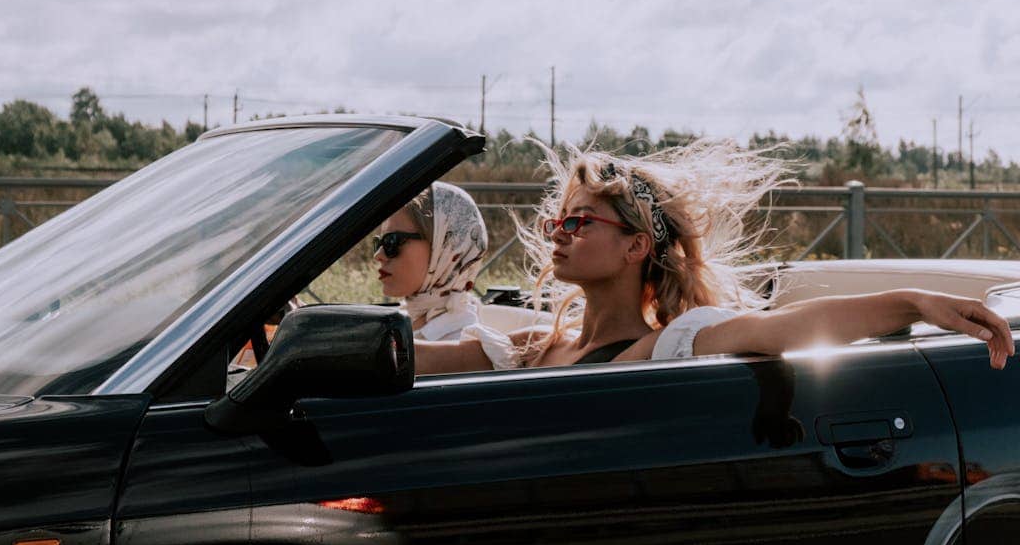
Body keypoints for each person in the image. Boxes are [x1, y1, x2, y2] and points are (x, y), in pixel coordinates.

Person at [418, 140, 1015, 373]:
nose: (559, 233)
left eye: (579, 221)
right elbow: (412, 360)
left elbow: (790, 328)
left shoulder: (669, 342)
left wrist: (911, 300)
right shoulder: (529, 347)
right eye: (557, 220)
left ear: (636, 246)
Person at [374, 181, 488, 342]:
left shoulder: (458, 342)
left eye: (391, 241)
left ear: (445, 247)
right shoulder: (412, 319)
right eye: (378, 243)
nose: (378, 255)